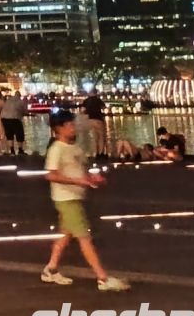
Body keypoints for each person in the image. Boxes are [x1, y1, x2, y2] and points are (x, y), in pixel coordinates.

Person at [40, 109, 129, 291]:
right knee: (84, 237)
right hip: (66, 198)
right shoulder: (56, 149)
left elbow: (81, 170)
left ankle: (51, 268)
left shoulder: (75, 148)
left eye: (73, 124)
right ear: (59, 129)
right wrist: (78, 181)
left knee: (66, 234)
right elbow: (51, 175)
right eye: (69, 125)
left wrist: (91, 178)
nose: (73, 128)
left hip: (75, 196)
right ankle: (102, 278)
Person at [0, 91, 27, 156]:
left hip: (4, 119)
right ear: (19, 96)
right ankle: (20, 150)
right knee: (19, 134)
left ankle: (12, 151)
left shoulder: (8, 100)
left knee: (9, 134)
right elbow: (24, 111)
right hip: (15, 118)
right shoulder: (20, 101)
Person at [82, 89, 109, 159]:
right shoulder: (98, 100)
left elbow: (83, 111)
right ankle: (101, 153)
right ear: (96, 93)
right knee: (101, 136)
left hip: (90, 120)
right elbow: (104, 107)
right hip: (98, 119)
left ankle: (95, 153)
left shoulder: (86, 100)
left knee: (95, 137)